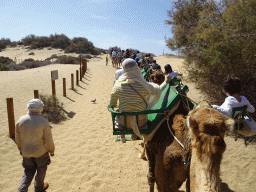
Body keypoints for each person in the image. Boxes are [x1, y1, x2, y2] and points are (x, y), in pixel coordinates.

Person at [109, 59, 171, 143]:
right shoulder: (145, 85)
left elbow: (111, 104)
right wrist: (166, 81)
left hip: (123, 124)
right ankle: (135, 133)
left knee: (117, 111)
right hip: (141, 123)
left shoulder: (117, 85)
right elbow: (158, 89)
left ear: (123, 70)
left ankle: (122, 136)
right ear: (137, 69)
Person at [15, 99, 55, 192]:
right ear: (40, 108)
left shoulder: (20, 120)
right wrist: (51, 151)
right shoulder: (43, 121)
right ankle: (38, 188)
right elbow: (48, 139)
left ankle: (22, 189)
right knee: (41, 170)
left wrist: (21, 149)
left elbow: (18, 139)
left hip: (26, 153)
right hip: (40, 153)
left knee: (28, 171)